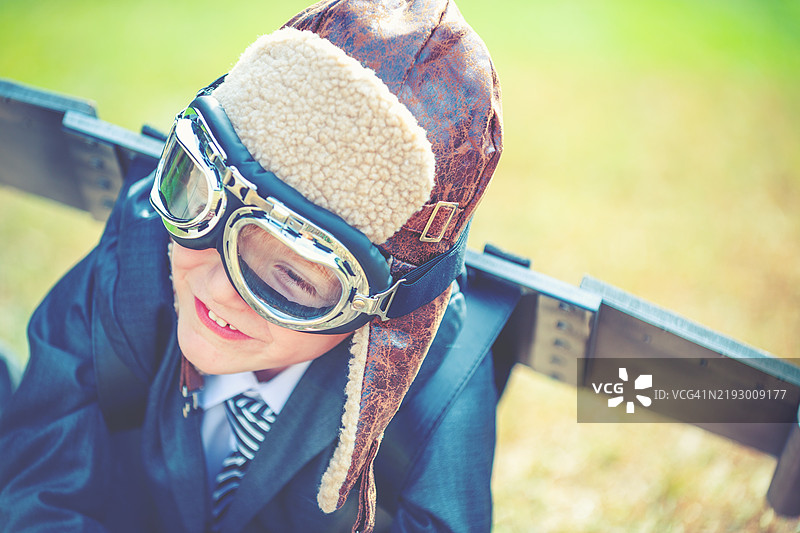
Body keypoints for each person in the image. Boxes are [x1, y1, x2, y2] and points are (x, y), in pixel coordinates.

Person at [0, 0, 502, 531]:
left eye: (294, 274)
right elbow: (36, 489)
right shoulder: (137, 254)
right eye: (204, 203)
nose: (217, 288)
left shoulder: (440, 379)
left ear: (389, 314)